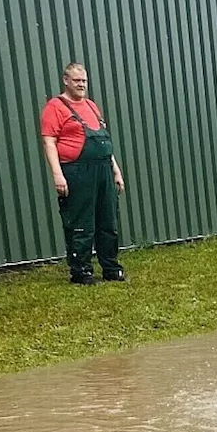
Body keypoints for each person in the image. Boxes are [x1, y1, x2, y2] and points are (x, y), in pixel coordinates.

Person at [40, 63, 126, 285]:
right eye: (77, 80)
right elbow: (49, 142)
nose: (81, 85)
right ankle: (81, 271)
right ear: (65, 80)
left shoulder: (91, 106)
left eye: (84, 81)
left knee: (108, 220)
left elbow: (104, 140)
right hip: (76, 171)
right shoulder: (55, 107)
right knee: (81, 223)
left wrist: (115, 169)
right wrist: (58, 175)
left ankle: (111, 268)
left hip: (103, 169)